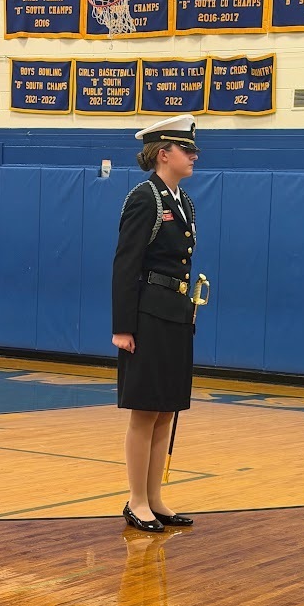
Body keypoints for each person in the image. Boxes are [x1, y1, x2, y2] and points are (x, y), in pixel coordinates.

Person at [112, 114, 199, 533]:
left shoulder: (183, 200)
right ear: (164, 154)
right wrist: (123, 326)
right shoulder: (146, 197)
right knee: (145, 411)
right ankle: (136, 501)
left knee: (166, 409)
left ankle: (155, 498)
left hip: (176, 313)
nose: (194, 156)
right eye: (187, 149)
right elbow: (126, 263)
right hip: (147, 314)